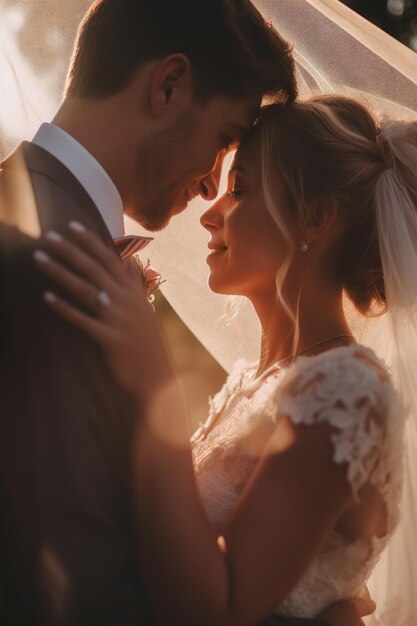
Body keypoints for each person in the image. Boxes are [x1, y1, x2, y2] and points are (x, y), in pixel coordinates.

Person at [33, 92, 413, 624]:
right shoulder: (254, 383)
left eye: (239, 190)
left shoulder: (349, 392)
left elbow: (219, 609)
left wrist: (151, 375)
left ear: (314, 218)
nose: (210, 215)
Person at [0, 0, 305, 624]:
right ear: (168, 86)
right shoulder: (55, 266)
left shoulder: (34, 216)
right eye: (224, 138)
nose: (209, 185)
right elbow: (76, 594)